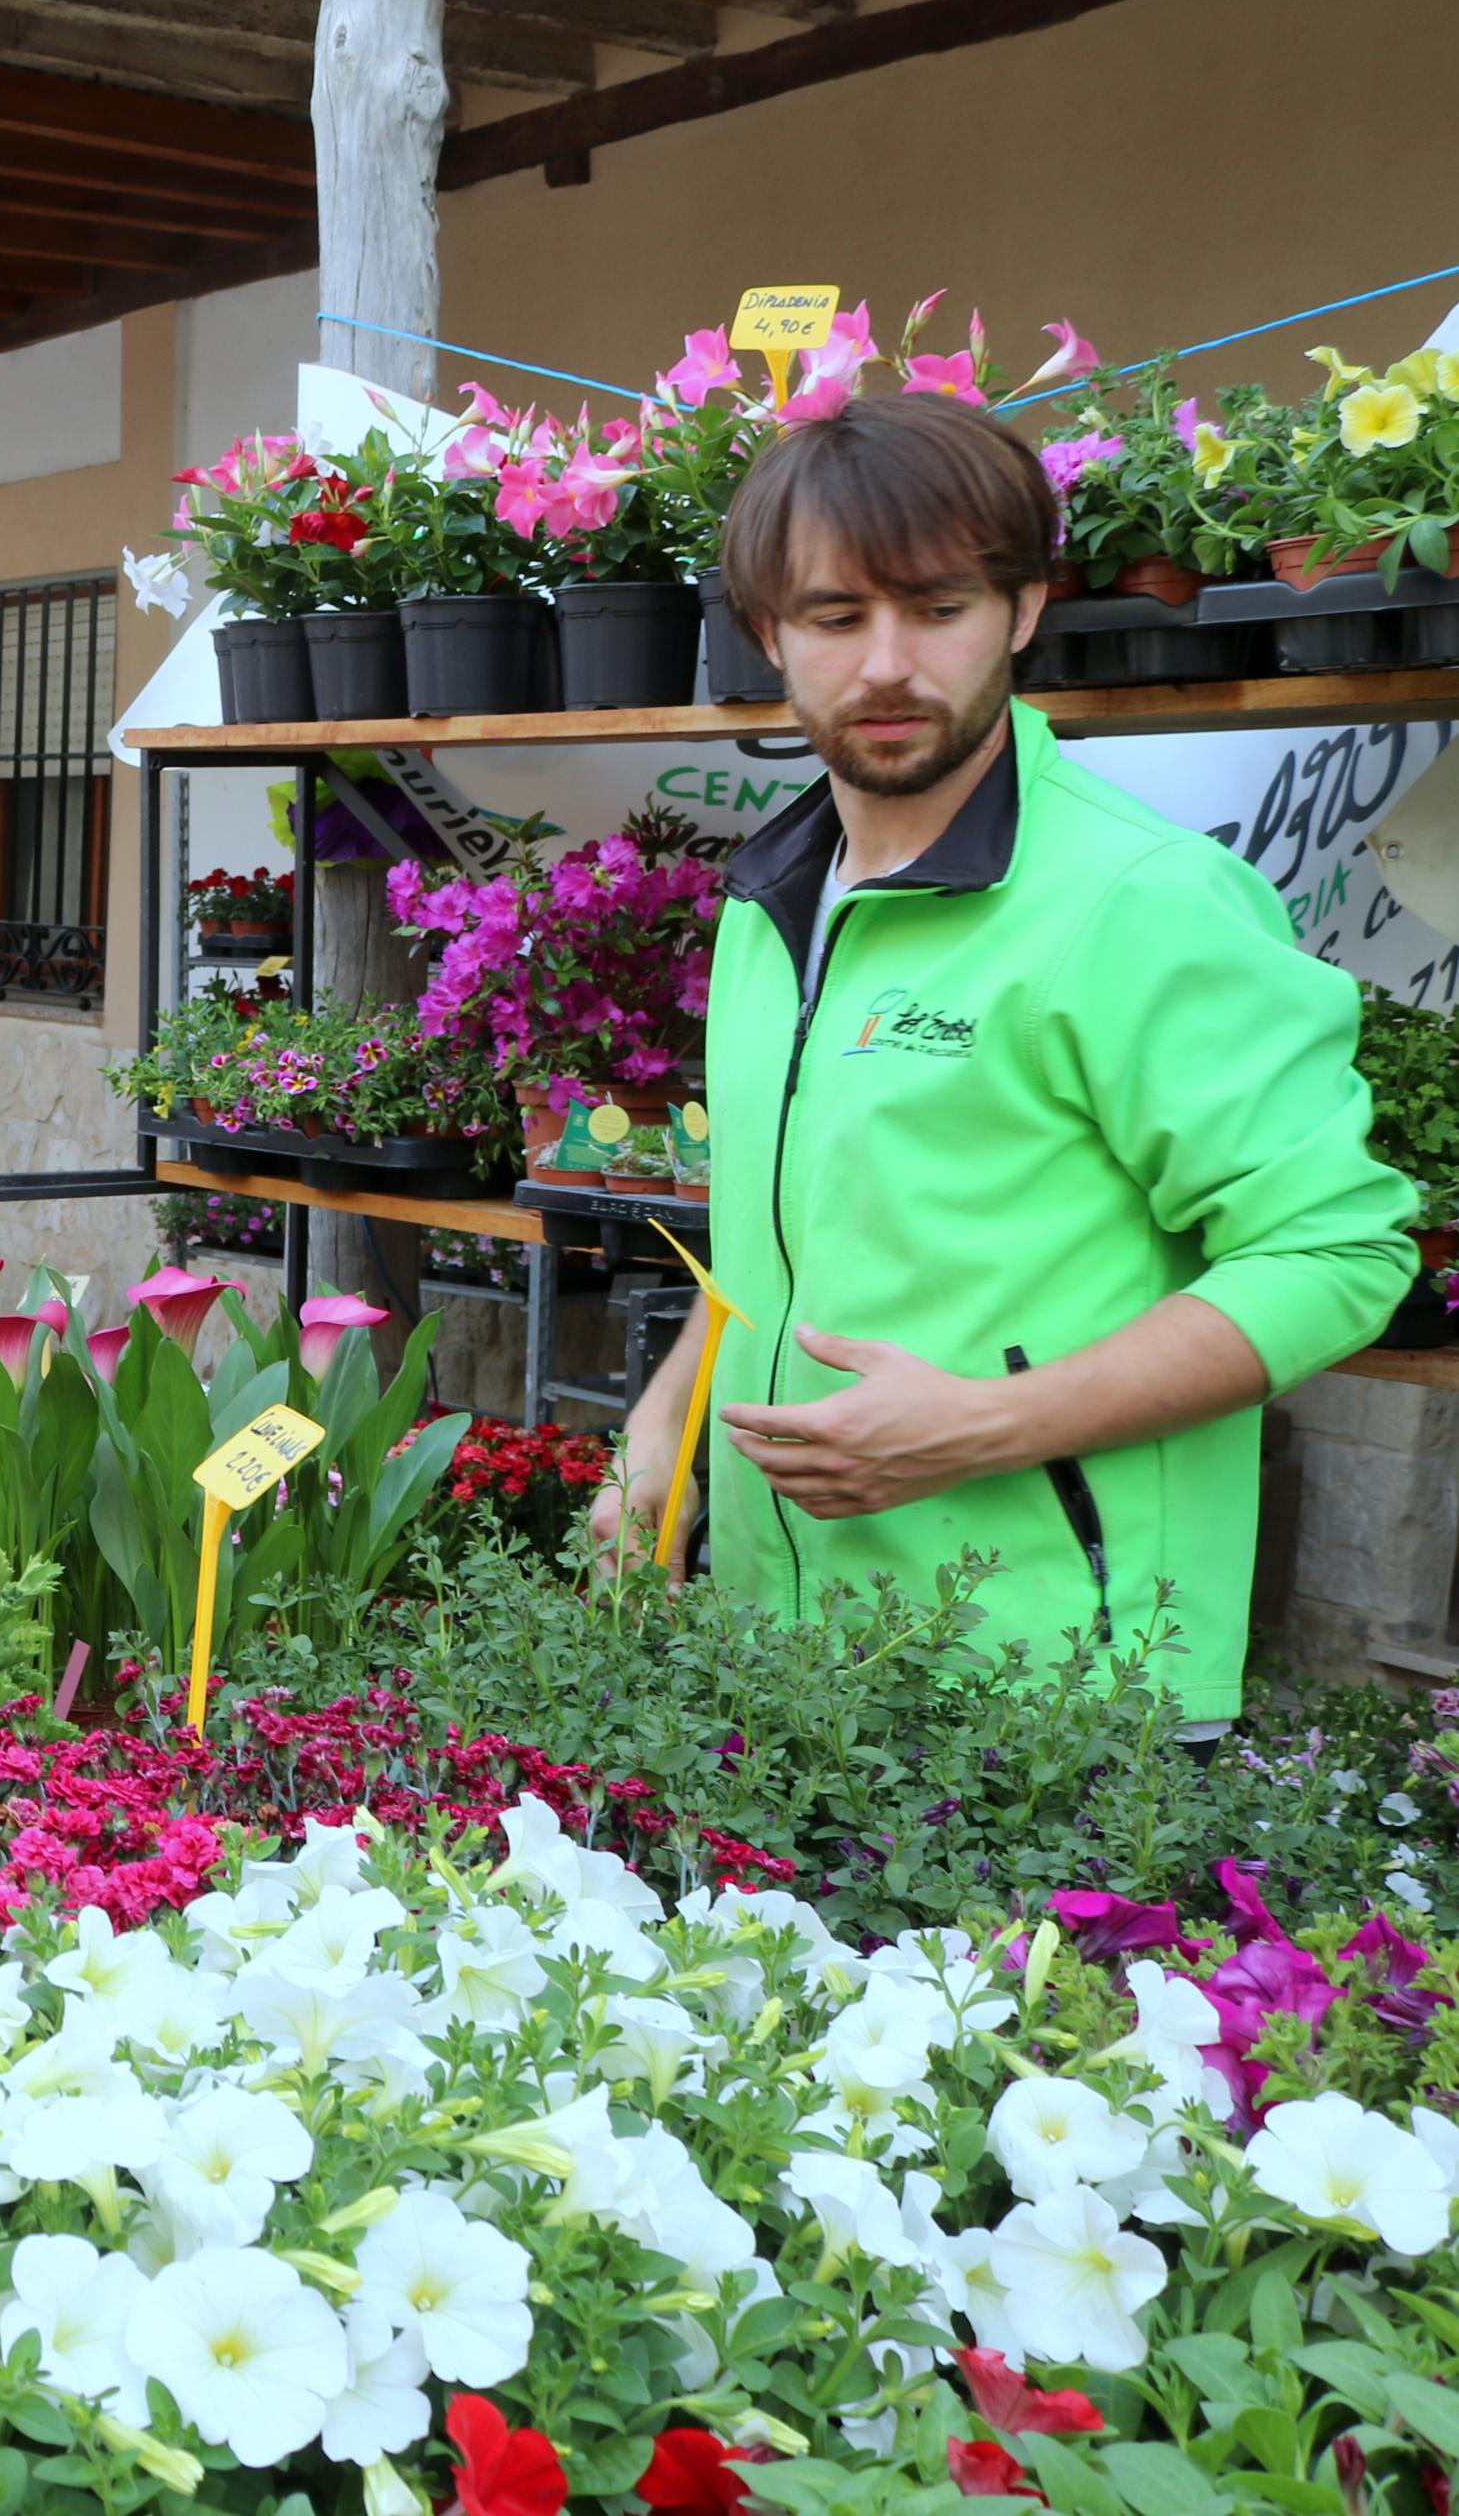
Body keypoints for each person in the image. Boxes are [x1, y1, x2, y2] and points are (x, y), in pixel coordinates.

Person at [589, 391, 1416, 1740]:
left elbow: (1335, 1253)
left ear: (1024, 609)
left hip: (1053, 1698)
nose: (885, 665)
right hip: (774, 1653)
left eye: (937, 606)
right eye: (833, 617)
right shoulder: (765, 902)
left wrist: (983, 1423)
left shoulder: (1136, 898)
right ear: (767, 636)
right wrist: (649, 1451)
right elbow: (761, 1246)